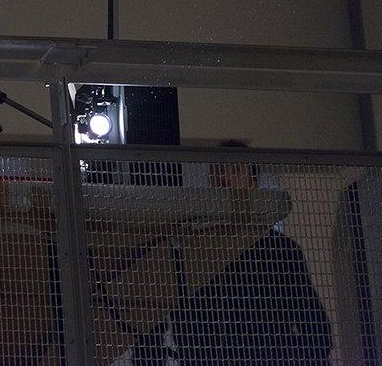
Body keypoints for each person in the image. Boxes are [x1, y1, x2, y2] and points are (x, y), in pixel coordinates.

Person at [133, 140, 332, 365]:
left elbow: (318, 333)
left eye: (235, 171)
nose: (224, 180)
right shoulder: (190, 250)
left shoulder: (280, 251)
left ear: (253, 183)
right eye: (217, 172)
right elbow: (162, 319)